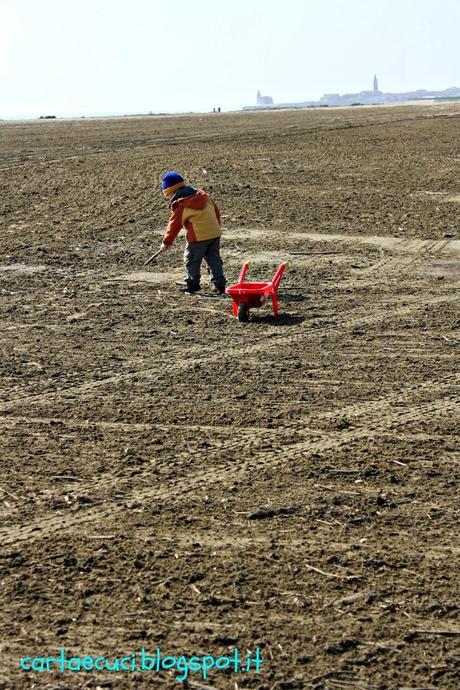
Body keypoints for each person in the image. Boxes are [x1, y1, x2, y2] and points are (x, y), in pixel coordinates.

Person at [159, 171, 226, 294]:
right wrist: (216, 226)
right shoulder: (204, 196)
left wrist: (166, 242)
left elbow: (174, 225)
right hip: (214, 232)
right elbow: (216, 210)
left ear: (171, 191)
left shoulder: (181, 204)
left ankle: (193, 283)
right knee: (213, 259)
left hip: (198, 236)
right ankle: (219, 284)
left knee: (191, 259)